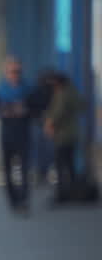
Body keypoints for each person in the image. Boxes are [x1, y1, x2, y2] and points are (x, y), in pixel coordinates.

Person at [0, 56, 34, 213]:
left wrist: (25, 109)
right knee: (7, 172)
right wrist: (3, 110)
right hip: (7, 135)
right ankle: (13, 201)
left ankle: (23, 199)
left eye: (17, 71)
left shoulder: (27, 89)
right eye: (12, 71)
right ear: (6, 73)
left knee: (24, 170)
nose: (15, 74)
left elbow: (38, 107)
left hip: (23, 134)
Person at [44, 71, 83, 203]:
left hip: (62, 135)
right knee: (70, 165)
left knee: (61, 166)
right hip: (72, 134)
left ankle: (61, 195)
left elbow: (58, 112)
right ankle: (73, 192)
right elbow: (81, 105)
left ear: (57, 83)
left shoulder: (62, 93)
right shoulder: (72, 91)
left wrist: (50, 124)